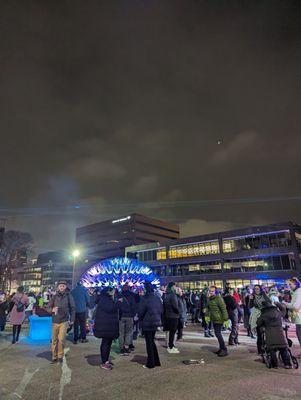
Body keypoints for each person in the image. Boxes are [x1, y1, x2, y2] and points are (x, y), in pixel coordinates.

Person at [257, 301, 292, 369]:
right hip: (280, 335)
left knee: (272, 350)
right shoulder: (278, 313)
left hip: (270, 336)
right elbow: (283, 309)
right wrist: (278, 303)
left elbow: (258, 323)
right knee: (283, 349)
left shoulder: (264, 315)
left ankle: (275, 364)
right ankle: (287, 364)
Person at [48, 281, 76, 363]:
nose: (62, 287)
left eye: (63, 286)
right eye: (60, 286)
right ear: (58, 287)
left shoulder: (69, 296)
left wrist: (72, 319)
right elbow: (48, 307)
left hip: (64, 320)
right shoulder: (54, 296)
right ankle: (54, 356)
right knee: (54, 339)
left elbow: (73, 308)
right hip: (55, 320)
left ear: (65, 287)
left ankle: (60, 355)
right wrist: (52, 309)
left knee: (61, 339)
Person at [94, 287, 121, 371]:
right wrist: (118, 303)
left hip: (108, 325)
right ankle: (104, 361)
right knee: (105, 343)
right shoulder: (104, 300)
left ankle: (106, 360)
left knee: (108, 343)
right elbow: (110, 308)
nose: (113, 293)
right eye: (112, 292)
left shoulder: (106, 299)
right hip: (105, 326)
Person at [138, 282, 163, 369]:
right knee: (152, 341)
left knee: (149, 343)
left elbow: (141, 311)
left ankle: (150, 363)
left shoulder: (144, 298)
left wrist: (140, 318)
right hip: (155, 322)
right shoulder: (157, 298)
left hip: (147, 322)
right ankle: (156, 361)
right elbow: (161, 309)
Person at [249, 284, 271, 355]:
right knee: (259, 334)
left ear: (260, 289)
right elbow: (250, 306)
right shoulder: (252, 296)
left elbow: (269, 303)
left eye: (257, 289)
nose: (256, 290)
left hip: (265, 315)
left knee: (267, 333)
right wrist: (251, 299)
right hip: (257, 316)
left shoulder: (264, 295)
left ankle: (268, 348)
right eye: (255, 289)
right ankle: (260, 350)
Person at [207, 286, 229, 357]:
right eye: (210, 291)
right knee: (217, 334)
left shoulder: (219, 298)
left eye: (212, 291)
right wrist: (207, 315)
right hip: (214, 319)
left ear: (215, 292)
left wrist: (226, 319)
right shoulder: (210, 299)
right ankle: (221, 348)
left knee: (218, 334)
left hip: (219, 319)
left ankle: (224, 349)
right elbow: (208, 308)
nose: (210, 292)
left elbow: (223, 309)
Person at [118, 284, 137, 355]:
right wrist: (133, 315)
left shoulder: (120, 297)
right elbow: (134, 307)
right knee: (129, 332)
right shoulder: (131, 297)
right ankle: (126, 347)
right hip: (129, 317)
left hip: (121, 317)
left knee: (121, 333)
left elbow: (118, 307)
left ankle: (121, 348)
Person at [283, 278, 301, 350]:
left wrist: (285, 304)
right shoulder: (295, 291)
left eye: (290, 284)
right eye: (288, 284)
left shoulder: (298, 292)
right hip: (298, 318)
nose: (289, 286)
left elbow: (296, 307)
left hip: (299, 318)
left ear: (295, 284)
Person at [163, 282, 180, 353]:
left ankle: (170, 345)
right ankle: (171, 346)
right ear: (172, 287)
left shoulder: (166, 295)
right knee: (173, 332)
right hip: (173, 316)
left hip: (168, 315)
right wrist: (179, 312)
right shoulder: (173, 295)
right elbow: (175, 306)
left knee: (170, 332)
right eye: (175, 286)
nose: (176, 287)